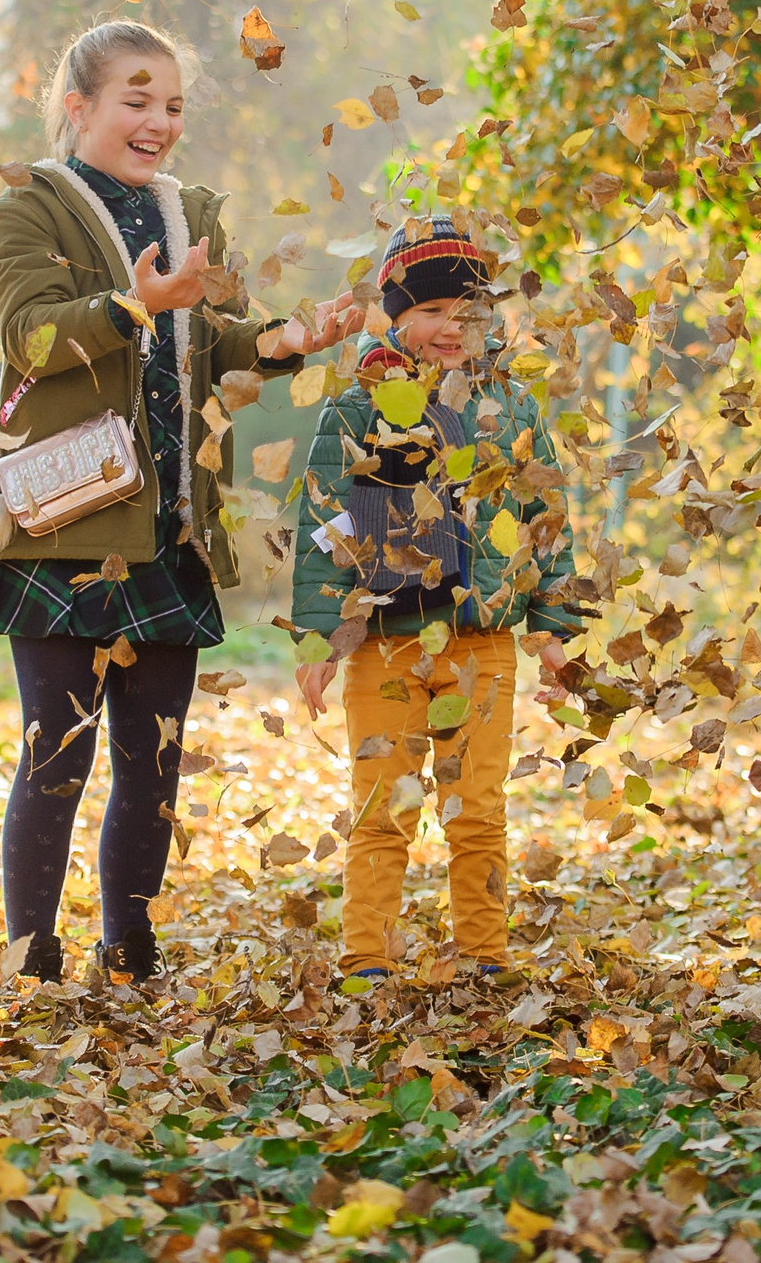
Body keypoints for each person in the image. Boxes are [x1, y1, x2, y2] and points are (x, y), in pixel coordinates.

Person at [0, 20, 363, 987]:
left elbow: (218, 341)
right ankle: (32, 961)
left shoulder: (193, 214)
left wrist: (288, 338)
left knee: (153, 763)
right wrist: (136, 305)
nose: (159, 121)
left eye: (173, 104)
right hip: (64, 521)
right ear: (79, 106)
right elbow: (30, 338)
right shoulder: (30, 207)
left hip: (170, 529)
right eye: (136, 100)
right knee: (56, 756)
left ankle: (132, 954)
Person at [291, 220, 582, 980]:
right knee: (381, 810)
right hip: (385, 642)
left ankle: (485, 956)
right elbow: (324, 523)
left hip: (480, 643)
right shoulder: (357, 411)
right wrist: (323, 638)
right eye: (432, 311)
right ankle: (365, 959)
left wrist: (552, 630)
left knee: (478, 809)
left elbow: (545, 527)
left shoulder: (512, 409)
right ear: (395, 316)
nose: (453, 327)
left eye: (470, 311)